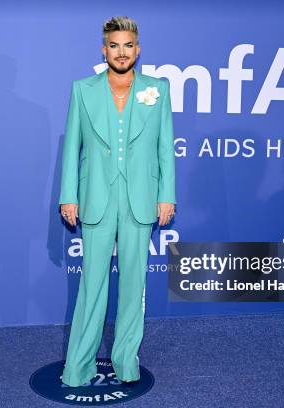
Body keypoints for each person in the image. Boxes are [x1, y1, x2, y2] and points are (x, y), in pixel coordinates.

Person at [58, 16, 176, 387]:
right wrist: (68, 196)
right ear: (103, 48)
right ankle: (78, 366)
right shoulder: (82, 89)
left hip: (141, 199)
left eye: (128, 46)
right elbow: (72, 147)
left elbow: (165, 149)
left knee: (133, 287)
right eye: (114, 45)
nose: (121, 52)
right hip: (95, 198)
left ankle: (127, 361)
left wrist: (166, 196)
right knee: (92, 285)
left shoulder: (158, 89)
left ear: (137, 50)